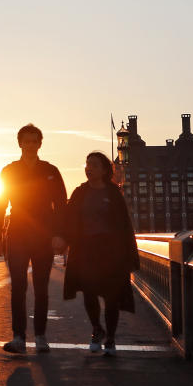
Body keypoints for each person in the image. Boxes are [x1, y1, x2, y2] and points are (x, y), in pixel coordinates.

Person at [0, 124, 67, 354]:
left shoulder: (50, 170)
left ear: (40, 144)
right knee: (18, 286)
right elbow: (0, 202)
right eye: (27, 141)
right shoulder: (9, 171)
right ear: (20, 143)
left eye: (35, 141)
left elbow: (62, 205)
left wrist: (60, 234)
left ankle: (41, 336)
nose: (31, 145)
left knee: (42, 287)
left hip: (44, 234)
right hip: (17, 233)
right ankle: (18, 337)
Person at [62, 152, 139, 356]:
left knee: (111, 297)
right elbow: (68, 217)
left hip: (110, 251)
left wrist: (130, 255)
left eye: (94, 165)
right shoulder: (80, 192)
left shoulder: (113, 194)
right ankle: (97, 328)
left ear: (104, 170)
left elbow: (125, 225)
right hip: (86, 249)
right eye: (87, 164)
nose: (89, 168)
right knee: (89, 292)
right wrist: (61, 238)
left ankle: (110, 338)